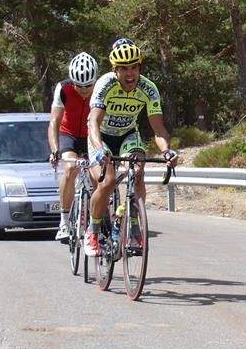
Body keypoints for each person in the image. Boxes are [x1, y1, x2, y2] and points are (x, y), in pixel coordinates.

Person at [84, 38, 178, 257]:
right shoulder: (105, 84)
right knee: (106, 182)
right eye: (124, 68)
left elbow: (158, 129)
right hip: (101, 137)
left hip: (128, 134)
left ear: (140, 67)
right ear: (115, 70)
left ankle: (134, 226)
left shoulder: (148, 89)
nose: (130, 73)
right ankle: (93, 230)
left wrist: (167, 151)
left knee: (137, 170)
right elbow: (94, 122)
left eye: (134, 67)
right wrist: (99, 148)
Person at [48, 52, 98, 242]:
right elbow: (54, 121)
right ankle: (64, 221)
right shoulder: (63, 88)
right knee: (70, 168)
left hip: (91, 135)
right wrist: (54, 150)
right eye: (79, 85)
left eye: (88, 86)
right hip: (68, 134)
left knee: (97, 176)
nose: (84, 90)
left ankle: (98, 221)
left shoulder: (102, 88)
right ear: (72, 81)